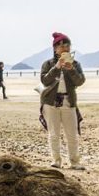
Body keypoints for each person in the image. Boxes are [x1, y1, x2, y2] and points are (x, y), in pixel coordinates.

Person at [39, 32, 86, 170]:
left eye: (66, 45)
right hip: (50, 102)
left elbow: (80, 81)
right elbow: (44, 80)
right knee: (53, 134)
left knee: (72, 134)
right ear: (55, 49)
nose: (64, 47)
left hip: (68, 101)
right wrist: (57, 67)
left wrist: (71, 70)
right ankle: (56, 160)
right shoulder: (48, 64)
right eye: (60, 45)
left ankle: (74, 161)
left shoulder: (75, 64)